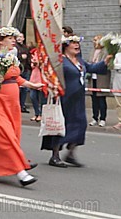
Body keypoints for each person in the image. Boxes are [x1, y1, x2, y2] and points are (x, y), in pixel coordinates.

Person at [0, 26, 43, 186]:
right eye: (10, 38)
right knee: (5, 135)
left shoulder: (11, 57)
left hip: (11, 103)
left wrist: (32, 85)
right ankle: (20, 171)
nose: (14, 41)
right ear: (1, 40)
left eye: (14, 38)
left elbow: (15, 77)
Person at [41, 35, 109, 167]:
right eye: (73, 43)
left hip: (78, 99)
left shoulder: (79, 60)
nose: (77, 45)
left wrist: (105, 61)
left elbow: (91, 68)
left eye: (78, 43)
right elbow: (51, 74)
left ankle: (71, 153)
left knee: (80, 125)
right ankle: (55, 156)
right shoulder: (60, 60)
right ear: (66, 45)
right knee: (61, 126)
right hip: (64, 98)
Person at [89, 35, 109, 127]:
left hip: (101, 78)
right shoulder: (92, 51)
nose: (94, 42)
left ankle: (103, 118)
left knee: (101, 99)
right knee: (94, 99)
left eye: (95, 40)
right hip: (92, 78)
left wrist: (95, 66)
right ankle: (94, 117)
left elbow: (105, 65)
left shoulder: (105, 52)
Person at [29, 47, 46, 122]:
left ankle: (42, 114)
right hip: (34, 78)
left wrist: (40, 63)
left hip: (42, 78)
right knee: (33, 97)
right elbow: (32, 66)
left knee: (42, 98)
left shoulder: (45, 54)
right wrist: (34, 63)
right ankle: (36, 113)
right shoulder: (34, 52)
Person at [16, 33, 31, 113]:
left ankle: (22, 105)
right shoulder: (15, 47)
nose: (19, 38)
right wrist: (21, 57)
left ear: (23, 38)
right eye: (18, 37)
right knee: (17, 89)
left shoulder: (25, 47)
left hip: (25, 70)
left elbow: (28, 56)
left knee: (25, 89)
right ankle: (17, 105)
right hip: (18, 70)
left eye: (21, 37)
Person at [112, 52, 121, 131]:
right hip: (118, 78)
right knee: (118, 102)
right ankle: (120, 121)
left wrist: (119, 66)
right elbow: (114, 65)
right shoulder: (118, 55)